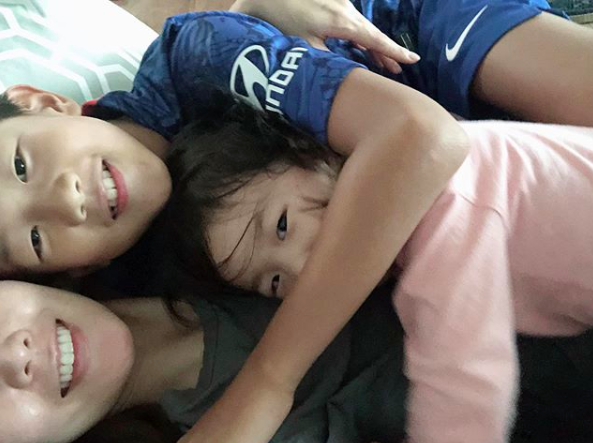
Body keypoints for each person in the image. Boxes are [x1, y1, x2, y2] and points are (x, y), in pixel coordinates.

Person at [164, 94, 593, 442]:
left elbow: (464, 386)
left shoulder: (444, 203)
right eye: (275, 282)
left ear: (313, 152)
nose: (301, 266)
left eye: (282, 225)